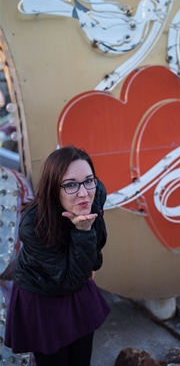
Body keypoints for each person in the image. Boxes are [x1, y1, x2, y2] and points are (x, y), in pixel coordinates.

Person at [3, 146, 109, 366]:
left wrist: (86, 229)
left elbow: (95, 260)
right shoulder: (33, 224)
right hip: (42, 297)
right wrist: (83, 231)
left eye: (89, 180)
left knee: (81, 358)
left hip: (76, 279)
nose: (83, 193)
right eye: (70, 184)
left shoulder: (95, 193)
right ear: (53, 188)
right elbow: (70, 279)